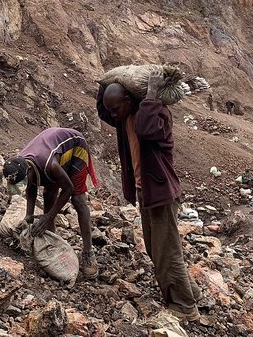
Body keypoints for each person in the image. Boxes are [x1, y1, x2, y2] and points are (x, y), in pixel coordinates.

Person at [96, 69, 201, 321]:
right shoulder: (126, 115)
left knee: (166, 251)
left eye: (116, 108)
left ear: (130, 102)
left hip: (161, 193)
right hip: (146, 192)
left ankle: (185, 306)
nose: (113, 115)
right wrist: (104, 85)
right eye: (111, 110)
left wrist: (152, 93)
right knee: (157, 250)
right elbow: (103, 111)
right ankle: (190, 290)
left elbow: (144, 130)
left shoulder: (157, 115)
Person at [3, 127, 99, 280]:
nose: (24, 186)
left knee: (78, 200)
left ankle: (88, 252)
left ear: (29, 172)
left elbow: (68, 189)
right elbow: (31, 186)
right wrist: (29, 215)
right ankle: (53, 245)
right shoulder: (18, 165)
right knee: (48, 196)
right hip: (55, 151)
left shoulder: (50, 165)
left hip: (75, 148)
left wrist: (48, 217)